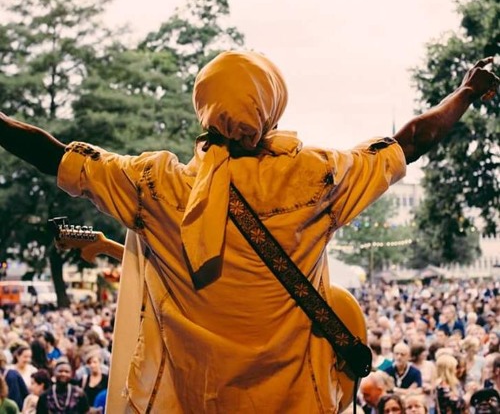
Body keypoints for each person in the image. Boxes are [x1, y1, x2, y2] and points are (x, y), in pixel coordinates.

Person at [0, 52, 498, 413]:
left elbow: (54, 155)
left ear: (203, 107)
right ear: (272, 107)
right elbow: (413, 140)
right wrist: (467, 92)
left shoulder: (154, 186)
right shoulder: (317, 177)